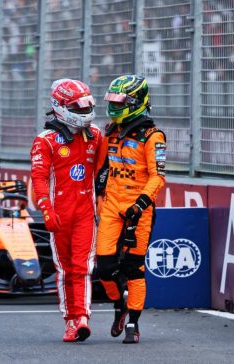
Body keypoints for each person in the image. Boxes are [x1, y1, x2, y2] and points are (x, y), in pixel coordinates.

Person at [95, 75, 166, 344]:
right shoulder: (110, 131)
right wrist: (98, 194)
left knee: (134, 267)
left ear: (135, 102)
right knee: (104, 268)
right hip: (112, 205)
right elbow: (103, 168)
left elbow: (157, 176)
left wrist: (141, 203)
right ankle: (119, 305)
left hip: (139, 208)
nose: (113, 106)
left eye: (119, 101)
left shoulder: (153, 136)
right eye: (112, 101)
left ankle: (133, 324)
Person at [30, 79, 103, 342]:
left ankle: (82, 317)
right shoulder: (45, 140)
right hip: (58, 214)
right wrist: (46, 209)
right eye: (78, 108)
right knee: (65, 269)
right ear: (60, 107)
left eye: (87, 107)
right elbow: (39, 178)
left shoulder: (96, 134)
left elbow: (104, 173)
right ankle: (69, 320)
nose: (85, 113)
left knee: (83, 266)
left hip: (85, 212)